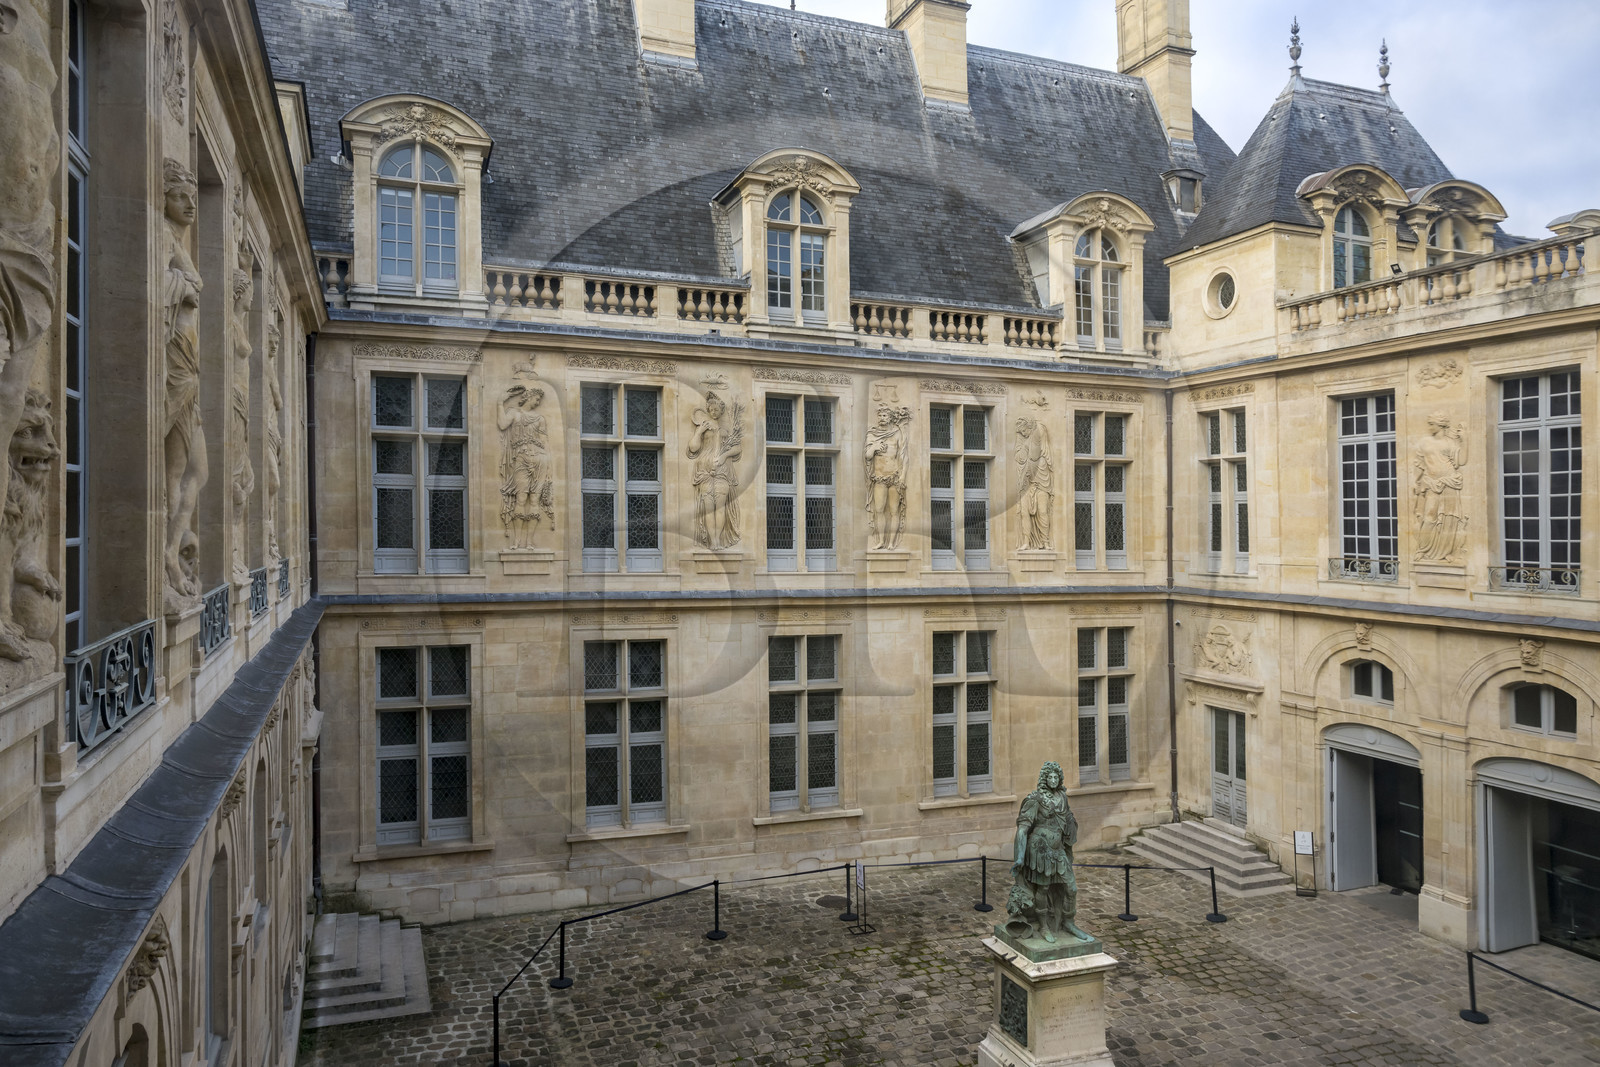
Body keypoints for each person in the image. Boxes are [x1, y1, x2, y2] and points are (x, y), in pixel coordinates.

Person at [162, 159, 208, 604]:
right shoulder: (161, 238)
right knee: (176, 470)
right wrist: (184, 285)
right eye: (181, 196)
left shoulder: (177, 240)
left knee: (199, 470)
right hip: (174, 360)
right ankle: (166, 556)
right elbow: (157, 288)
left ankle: (169, 549)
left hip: (189, 365)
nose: (190, 204)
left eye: (194, 196)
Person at [1009, 761, 1092, 943]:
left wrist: (1071, 824)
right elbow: (1023, 829)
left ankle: (1068, 922)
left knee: (1071, 888)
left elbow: (1067, 820)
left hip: (1058, 850)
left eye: (1056, 777)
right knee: (1043, 888)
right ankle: (1044, 926)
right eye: (1050, 776)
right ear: (1044, 778)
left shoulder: (1063, 797)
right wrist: (1020, 857)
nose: (1053, 780)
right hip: (1040, 850)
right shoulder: (1035, 799)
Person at [498, 384, 554, 548]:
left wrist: (549, 466)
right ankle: (517, 541)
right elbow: (501, 424)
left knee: (535, 499)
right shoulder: (514, 414)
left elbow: (546, 443)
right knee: (521, 498)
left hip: (540, 459)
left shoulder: (540, 419)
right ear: (529, 396)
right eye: (537, 399)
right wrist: (499, 403)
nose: (537, 403)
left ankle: (529, 541)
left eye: (539, 401)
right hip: (521, 458)